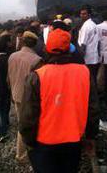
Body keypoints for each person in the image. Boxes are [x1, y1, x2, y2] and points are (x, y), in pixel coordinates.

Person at [19, 28, 99, 173]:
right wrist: (91, 135)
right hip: (74, 141)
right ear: (69, 49)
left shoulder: (37, 76)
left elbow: (28, 116)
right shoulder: (84, 72)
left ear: (46, 49)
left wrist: (29, 141)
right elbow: (92, 108)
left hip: (44, 143)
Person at [8, 31, 42, 162]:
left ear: (22, 42)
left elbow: (8, 78)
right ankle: (21, 154)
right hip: (29, 99)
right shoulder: (37, 60)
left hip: (15, 94)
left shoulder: (12, 56)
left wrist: (11, 92)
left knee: (22, 122)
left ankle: (23, 152)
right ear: (34, 44)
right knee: (27, 124)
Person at [78, 6, 99, 87]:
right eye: (81, 14)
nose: (82, 15)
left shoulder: (86, 26)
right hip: (94, 57)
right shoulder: (93, 24)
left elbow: (83, 45)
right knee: (93, 79)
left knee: (88, 81)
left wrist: (80, 60)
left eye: (84, 14)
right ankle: (95, 97)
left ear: (89, 15)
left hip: (88, 59)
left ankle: (91, 98)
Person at [0, 35, 12, 143]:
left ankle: (0, 132)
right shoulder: (8, 59)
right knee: (4, 108)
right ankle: (5, 126)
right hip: (6, 88)